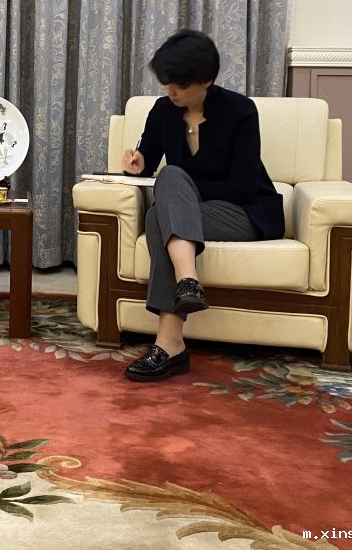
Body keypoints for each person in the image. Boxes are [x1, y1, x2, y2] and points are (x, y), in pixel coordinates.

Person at [120, 29, 283, 382]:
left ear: (206, 80)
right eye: (167, 83)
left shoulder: (240, 111)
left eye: (180, 85)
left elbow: (241, 188)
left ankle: (172, 342)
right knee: (165, 195)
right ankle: (182, 299)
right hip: (191, 213)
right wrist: (136, 164)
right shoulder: (163, 110)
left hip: (242, 212)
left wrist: (186, 192)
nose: (171, 92)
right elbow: (148, 164)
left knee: (165, 203)